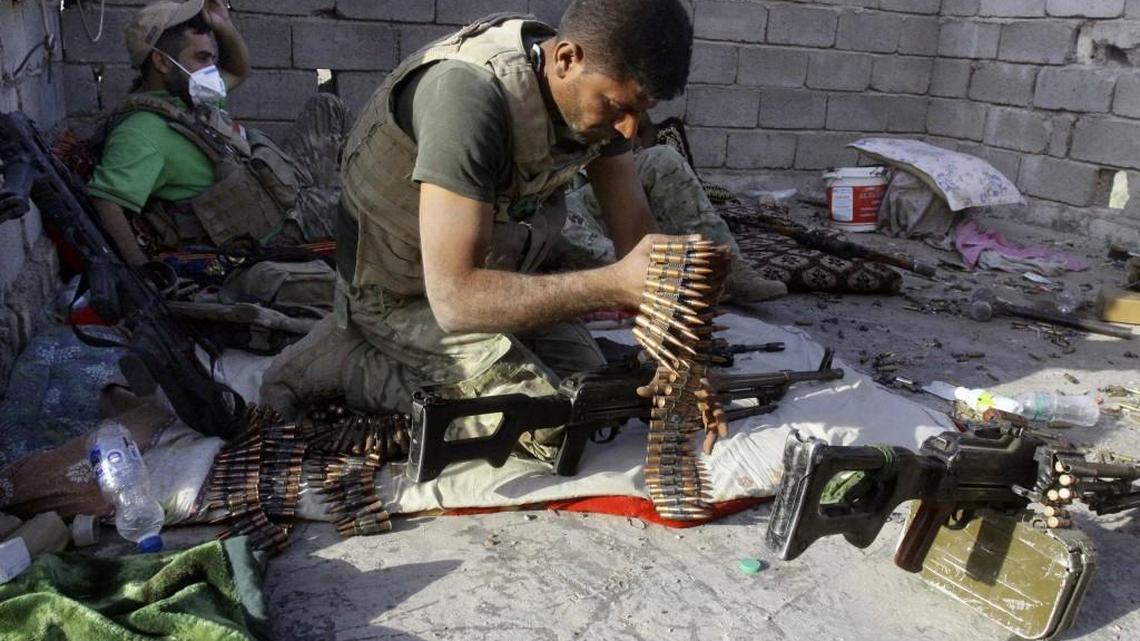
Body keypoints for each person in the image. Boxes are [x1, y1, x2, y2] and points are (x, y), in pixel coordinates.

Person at [262, 1, 763, 460]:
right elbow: (455, 299)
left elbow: (638, 240)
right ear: (566, 58)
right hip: (402, 292)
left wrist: (680, 365)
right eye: (617, 106)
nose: (631, 129)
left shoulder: (598, 102)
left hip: (499, 274)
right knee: (542, 426)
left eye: (641, 110)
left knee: (591, 393)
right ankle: (345, 358)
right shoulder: (467, 97)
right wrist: (614, 283)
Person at [87, 0, 348, 266]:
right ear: (161, 62)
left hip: (279, 180)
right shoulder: (142, 131)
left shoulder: (188, 97)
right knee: (375, 206)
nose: (211, 70)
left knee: (326, 106)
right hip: (284, 223)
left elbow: (238, 69)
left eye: (212, 58)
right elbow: (106, 200)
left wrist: (222, 25)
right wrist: (143, 273)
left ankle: (328, 196)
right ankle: (331, 209)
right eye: (202, 58)